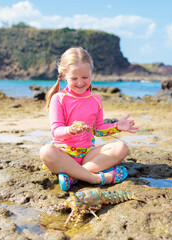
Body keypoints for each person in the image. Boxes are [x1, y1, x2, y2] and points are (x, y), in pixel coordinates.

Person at [40, 47, 138, 191]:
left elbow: (98, 130)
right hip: (64, 156)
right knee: (46, 151)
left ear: (91, 73)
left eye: (85, 77)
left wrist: (117, 126)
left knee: (121, 147)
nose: (80, 82)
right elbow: (56, 131)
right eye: (74, 78)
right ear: (65, 76)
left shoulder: (96, 100)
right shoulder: (59, 99)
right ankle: (95, 178)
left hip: (88, 155)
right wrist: (71, 130)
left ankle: (73, 176)